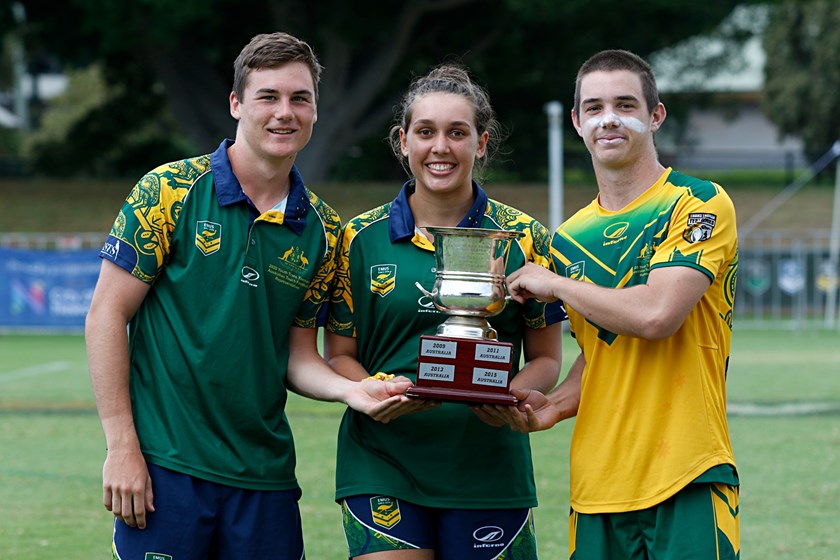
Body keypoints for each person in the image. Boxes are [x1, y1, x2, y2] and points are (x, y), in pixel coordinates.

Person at [85, 31, 415, 560]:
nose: (285, 112)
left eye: (299, 98)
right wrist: (121, 446)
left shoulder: (326, 230)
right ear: (237, 103)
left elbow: (299, 357)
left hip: (265, 480)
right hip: (165, 469)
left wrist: (351, 391)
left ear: (314, 111)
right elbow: (106, 315)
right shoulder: (168, 190)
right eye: (269, 96)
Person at [506, 49, 740, 559]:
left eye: (624, 104)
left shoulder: (697, 202)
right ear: (577, 122)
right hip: (597, 484)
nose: (608, 118)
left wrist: (560, 287)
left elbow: (656, 316)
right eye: (593, 107)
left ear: (655, 115)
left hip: (687, 473)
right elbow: (604, 351)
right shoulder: (567, 239)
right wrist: (556, 405)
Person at [324, 64, 565, 560]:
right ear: (403, 141)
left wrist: (508, 399)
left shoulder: (524, 238)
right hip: (383, 459)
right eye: (425, 132)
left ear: (481, 142)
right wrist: (372, 392)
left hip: (488, 465)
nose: (441, 147)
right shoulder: (357, 238)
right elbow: (340, 356)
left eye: (458, 133)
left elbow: (546, 358)